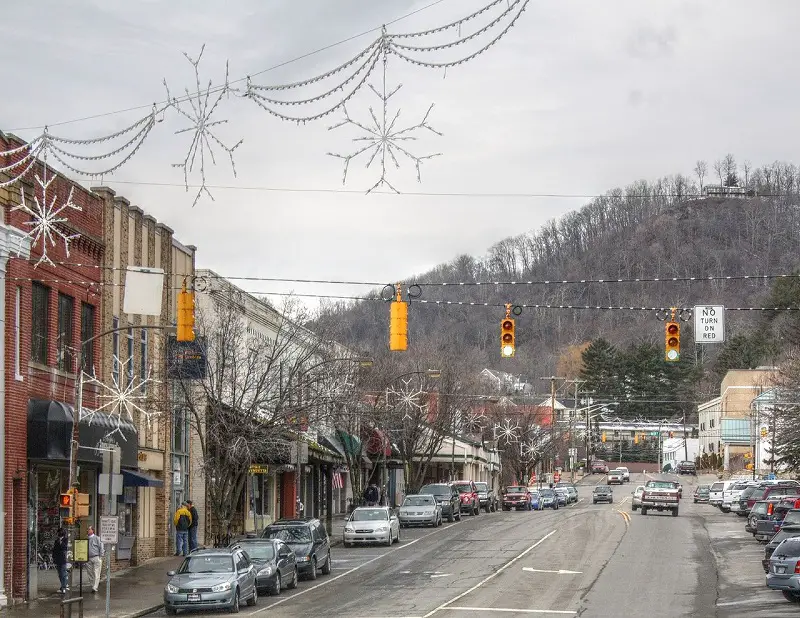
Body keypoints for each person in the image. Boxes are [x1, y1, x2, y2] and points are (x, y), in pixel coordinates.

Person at [86, 525, 104, 593]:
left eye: (89, 529)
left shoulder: (97, 538)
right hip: (88, 558)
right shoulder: (86, 539)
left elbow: (101, 547)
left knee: (96, 572)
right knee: (90, 573)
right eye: (87, 529)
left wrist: (101, 556)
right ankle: (92, 585)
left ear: (92, 530)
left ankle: (95, 587)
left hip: (96, 557)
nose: (88, 530)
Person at [52, 528, 69, 594]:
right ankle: (62, 586)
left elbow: (64, 547)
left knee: (63, 573)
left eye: (59, 532)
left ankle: (64, 587)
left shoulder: (66, 540)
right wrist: (53, 557)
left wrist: (61, 542)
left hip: (63, 559)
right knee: (60, 574)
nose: (58, 534)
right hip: (58, 559)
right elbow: (55, 550)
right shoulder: (56, 540)